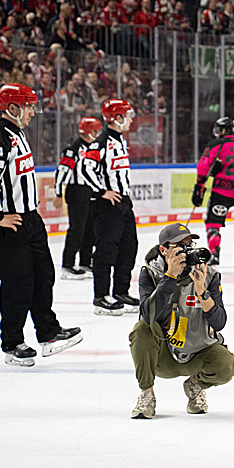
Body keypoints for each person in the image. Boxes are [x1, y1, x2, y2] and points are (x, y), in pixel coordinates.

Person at [0, 83, 83, 367]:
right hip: (8, 222)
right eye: (29, 106)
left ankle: (48, 334)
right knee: (17, 284)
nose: (33, 112)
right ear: (12, 108)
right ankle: (12, 343)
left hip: (29, 219)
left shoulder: (17, 134)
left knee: (43, 276)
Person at [128, 223, 234, 419]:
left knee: (227, 365)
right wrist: (170, 277)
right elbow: (148, 315)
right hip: (163, 355)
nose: (186, 251)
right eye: (180, 246)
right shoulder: (151, 273)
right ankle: (147, 393)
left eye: (189, 244)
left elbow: (219, 323)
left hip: (197, 351)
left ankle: (195, 385)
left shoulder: (208, 275)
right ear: (163, 250)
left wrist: (201, 290)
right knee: (141, 330)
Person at [83, 98, 139, 315]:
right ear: (117, 118)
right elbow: (86, 168)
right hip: (107, 206)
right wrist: (101, 191)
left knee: (129, 246)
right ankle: (101, 296)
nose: (131, 119)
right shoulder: (102, 141)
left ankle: (120, 291)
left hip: (123, 202)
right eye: (128, 115)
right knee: (106, 250)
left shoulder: (120, 141)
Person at [192, 117, 234, 270]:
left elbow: (203, 167)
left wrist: (199, 188)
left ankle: (214, 255)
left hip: (222, 191)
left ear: (222, 130)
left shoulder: (215, 145)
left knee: (213, 224)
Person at [55, 116, 101, 280]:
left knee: (90, 227)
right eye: (96, 130)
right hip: (76, 191)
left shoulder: (94, 147)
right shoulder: (73, 149)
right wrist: (58, 192)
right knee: (77, 228)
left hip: (90, 191)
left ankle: (85, 261)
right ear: (90, 131)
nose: (98, 133)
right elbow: (63, 170)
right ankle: (68, 264)